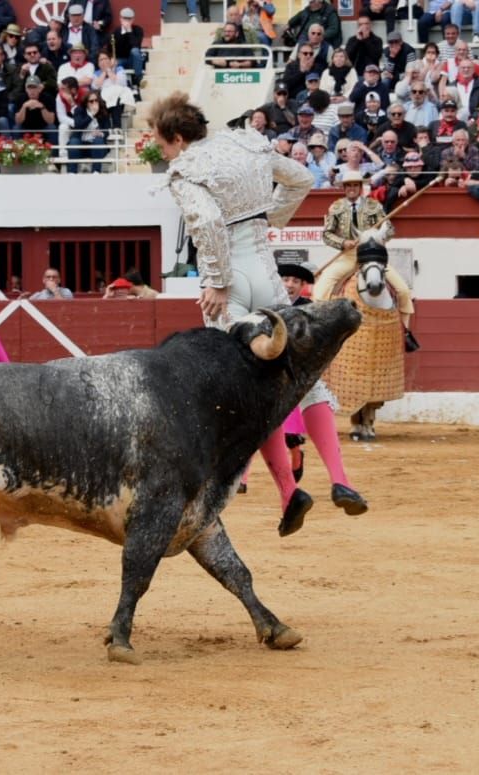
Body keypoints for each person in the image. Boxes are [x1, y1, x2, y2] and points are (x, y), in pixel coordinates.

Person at [148, 91, 366, 536]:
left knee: (253, 390)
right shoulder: (246, 143)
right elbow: (301, 179)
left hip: (230, 280)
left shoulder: (186, 169)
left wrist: (216, 280)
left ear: (176, 137)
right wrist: (273, 220)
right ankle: (341, 479)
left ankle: (289, 492)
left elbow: (207, 224)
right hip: (265, 270)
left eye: (162, 143)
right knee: (303, 375)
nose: (163, 152)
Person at [315, 168, 414, 334]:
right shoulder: (336, 207)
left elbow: (389, 229)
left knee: (403, 290)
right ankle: (321, 329)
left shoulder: (374, 205)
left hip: (372, 254)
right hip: (349, 255)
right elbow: (326, 234)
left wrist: (375, 237)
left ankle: (405, 332)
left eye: (355, 185)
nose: (352, 188)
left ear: (360, 187)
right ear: (344, 188)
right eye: (348, 185)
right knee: (320, 289)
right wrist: (343, 242)